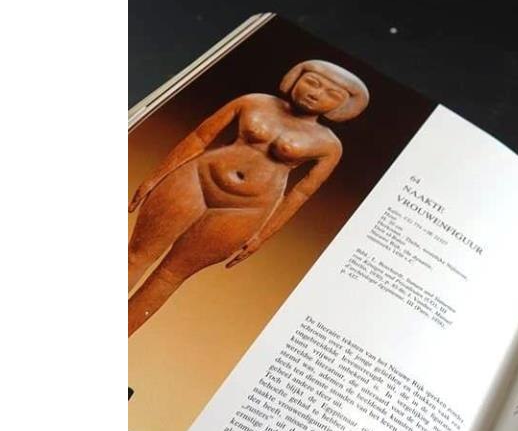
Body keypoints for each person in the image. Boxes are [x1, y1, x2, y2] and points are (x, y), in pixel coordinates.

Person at [128, 59, 368, 336]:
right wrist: (156, 177)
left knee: (169, 276)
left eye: (331, 94)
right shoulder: (253, 102)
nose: (315, 93)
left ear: (343, 106)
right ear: (295, 78)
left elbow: (300, 193)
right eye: (312, 82)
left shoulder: (329, 145)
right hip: (197, 178)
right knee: (135, 257)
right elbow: (199, 138)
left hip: (247, 208)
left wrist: (262, 236)